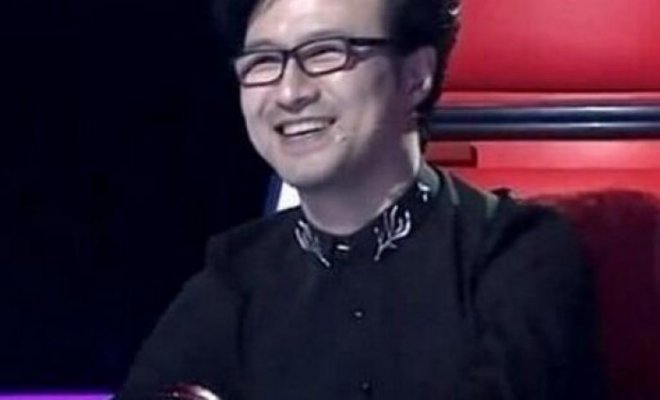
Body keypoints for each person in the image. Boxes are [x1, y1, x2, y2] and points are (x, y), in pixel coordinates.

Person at [116, 0, 604, 398]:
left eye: (326, 53)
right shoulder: (233, 274)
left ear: (416, 76)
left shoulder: (518, 252)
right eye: (263, 62)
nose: (289, 92)